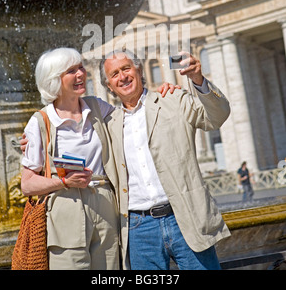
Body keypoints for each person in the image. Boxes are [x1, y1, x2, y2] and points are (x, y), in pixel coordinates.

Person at [20, 47, 176, 270]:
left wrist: (160, 95)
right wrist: (63, 182)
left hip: (105, 205)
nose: (81, 74)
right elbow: (27, 184)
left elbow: (135, 115)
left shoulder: (97, 107)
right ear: (54, 79)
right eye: (71, 71)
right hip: (66, 208)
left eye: (81, 67)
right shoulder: (40, 122)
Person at [99, 50, 231, 270]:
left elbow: (217, 117)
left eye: (126, 68)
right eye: (114, 74)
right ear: (109, 86)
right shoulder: (108, 124)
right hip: (139, 229)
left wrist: (198, 80)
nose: (122, 77)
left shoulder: (173, 99)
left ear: (139, 70)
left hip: (183, 217)